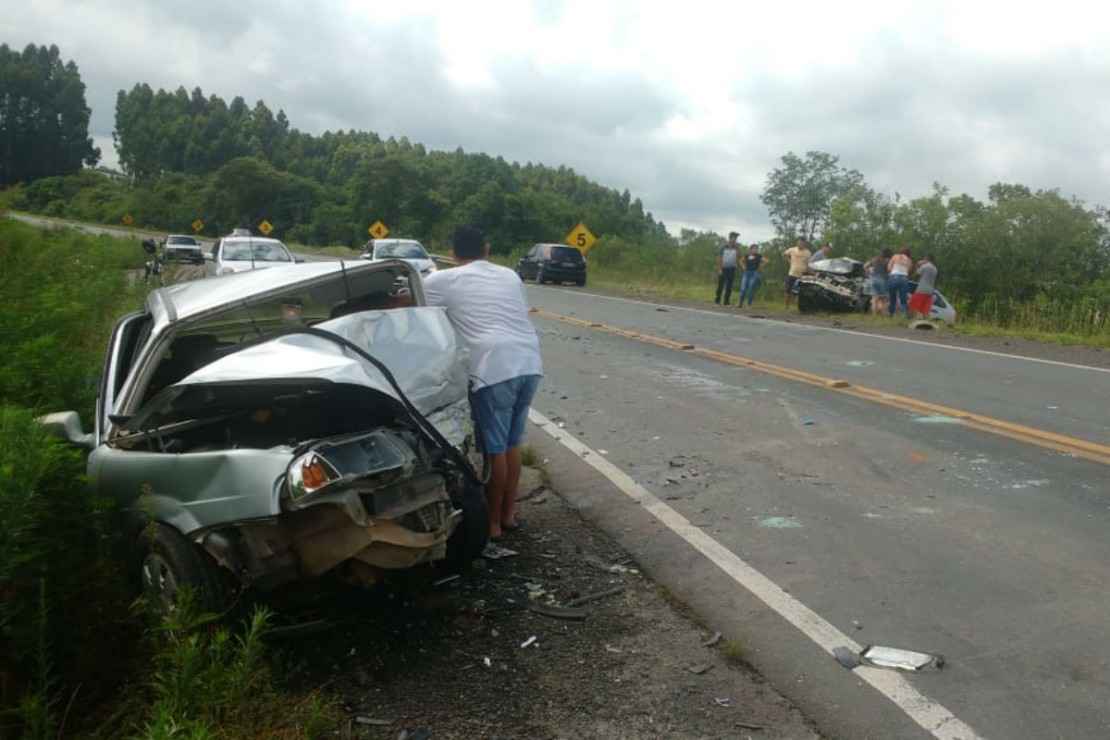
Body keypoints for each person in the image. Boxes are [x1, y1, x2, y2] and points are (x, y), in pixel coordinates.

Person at [423, 226, 544, 542]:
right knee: (512, 442)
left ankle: (491, 525)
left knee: (494, 449)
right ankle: (508, 514)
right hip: (529, 361)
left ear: (453, 254)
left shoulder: (441, 280)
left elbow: (413, 306)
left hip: (493, 368)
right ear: (487, 249)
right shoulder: (510, 276)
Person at [782, 236, 811, 310]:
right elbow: (784, 255)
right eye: (800, 242)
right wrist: (789, 261)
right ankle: (786, 307)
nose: (801, 243)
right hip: (792, 273)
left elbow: (809, 263)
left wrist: (809, 270)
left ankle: (799, 307)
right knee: (788, 290)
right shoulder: (792, 250)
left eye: (802, 242)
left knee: (801, 292)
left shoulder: (807, 252)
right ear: (797, 242)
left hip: (802, 274)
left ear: (804, 243)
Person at [909, 254, 938, 320]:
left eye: (924, 259)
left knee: (913, 306)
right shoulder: (935, 269)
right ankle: (926, 323)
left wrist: (918, 265)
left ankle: (911, 320)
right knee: (926, 310)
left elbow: (917, 274)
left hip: (921, 289)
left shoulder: (924, 266)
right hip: (930, 291)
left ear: (926, 259)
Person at [715, 231, 740, 306]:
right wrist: (719, 268)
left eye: (736, 238)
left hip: (732, 268)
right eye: (734, 238)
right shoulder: (723, 247)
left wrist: (738, 248)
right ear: (730, 238)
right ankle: (717, 300)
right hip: (723, 268)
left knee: (729, 286)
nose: (735, 240)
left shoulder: (736, 247)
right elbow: (719, 257)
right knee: (721, 285)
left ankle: (727, 301)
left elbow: (739, 257)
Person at [864, 247, 891, 316]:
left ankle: (874, 316)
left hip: (873, 280)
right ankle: (885, 316)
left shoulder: (875, 259)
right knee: (884, 300)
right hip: (883, 280)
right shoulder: (888, 261)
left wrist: (870, 274)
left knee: (874, 300)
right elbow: (889, 271)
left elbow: (865, 266)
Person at [887, 247, 913, 318]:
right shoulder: (909, 260)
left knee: (892, 299)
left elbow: (889, 267)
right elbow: (908, 271)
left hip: (894, 277)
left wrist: (891, 273)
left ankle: (891, 316)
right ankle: (906, 316)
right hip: (904, 278)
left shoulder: (895, 256)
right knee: (904, 300)